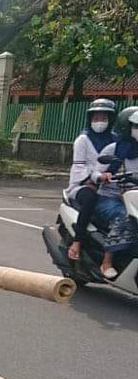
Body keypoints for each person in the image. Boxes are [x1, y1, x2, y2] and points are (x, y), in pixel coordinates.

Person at [66, 98, 117, 266]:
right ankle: (77, 242)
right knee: (90, 199)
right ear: (90, 120)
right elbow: (79, 167)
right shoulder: (83, 140)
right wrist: (96, 178)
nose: (100, 122)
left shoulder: (116, 141)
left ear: (111, 120)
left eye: (103, 118)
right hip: (82, 185)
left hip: (109, 186)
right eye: (96, 119)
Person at [93, 105, 138, 279]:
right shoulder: (114, 149)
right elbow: (95, 172)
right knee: (124, 218)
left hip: (134, 198)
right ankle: (107, 262)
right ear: (126, 127)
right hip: (109, 198)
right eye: (135, 127)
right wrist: (102, 176)